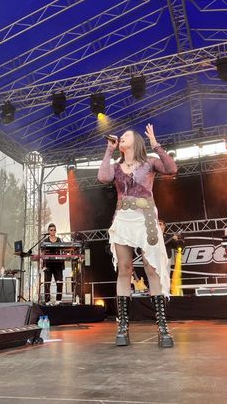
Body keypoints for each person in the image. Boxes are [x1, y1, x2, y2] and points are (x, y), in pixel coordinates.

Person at [98, 123, 177, 348]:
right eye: (120, 136)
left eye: (126, 135)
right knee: (124, 269)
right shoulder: (116, 166)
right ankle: (122, 327)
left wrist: (156, 145)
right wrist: (109, 150)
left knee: (151, 268)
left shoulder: (150, 162)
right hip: (123, 218)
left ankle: (162, 326)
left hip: (145, 217)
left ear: (137, 141)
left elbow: (171, 169)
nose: (121, 137)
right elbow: (102, 177)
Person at [42, 223, 65, 304]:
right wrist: (42, 265)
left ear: (56, 231)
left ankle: (58, 300)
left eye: (54, 230)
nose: (53, 231)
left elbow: (63, 251)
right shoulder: (45, 241)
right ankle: (47, 301)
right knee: (47, 283)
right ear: (48, 231)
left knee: (59, 283)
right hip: (48, 264)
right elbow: (42, 253)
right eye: (51, 230)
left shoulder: (59, 240)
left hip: (58, 264)